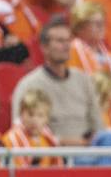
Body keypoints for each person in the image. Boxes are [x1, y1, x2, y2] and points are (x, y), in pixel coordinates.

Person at [12, 18, 104, 146]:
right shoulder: (28, 85)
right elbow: (20, 132)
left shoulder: (84, 80)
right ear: (44, 47)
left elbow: (98, 125)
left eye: (68, 41)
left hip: (89, 150)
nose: (66, 46)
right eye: (60, 41)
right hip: (55, 154)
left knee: (109, 139)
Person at [2, 88, 63, 167]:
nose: (34, 120)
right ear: (21, 114)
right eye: (30, 114)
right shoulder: (11, 139)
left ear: (47, 119)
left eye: (40, 115)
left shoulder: (49, 140)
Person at [67, 1, 111, 76]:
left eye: (103, 22)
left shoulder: (107, 49)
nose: (102, 27)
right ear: (80, 27)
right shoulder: (70, 51)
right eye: (97, 24)